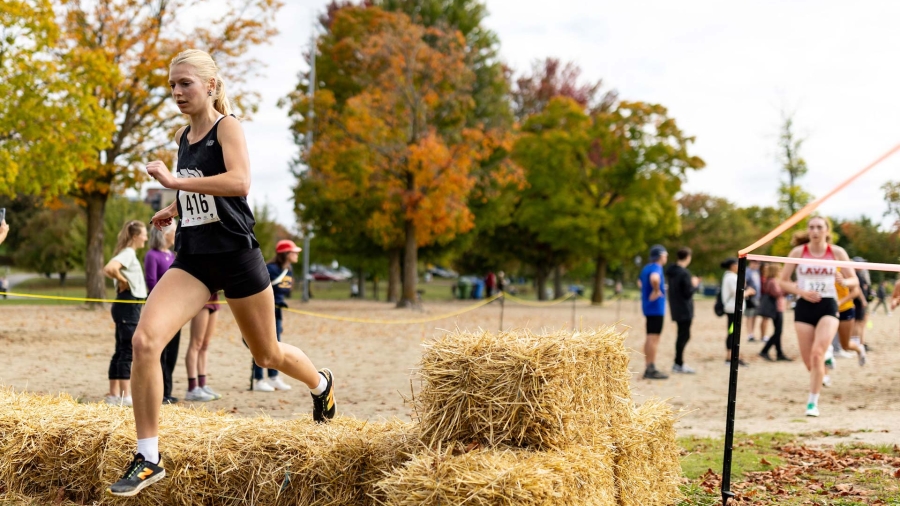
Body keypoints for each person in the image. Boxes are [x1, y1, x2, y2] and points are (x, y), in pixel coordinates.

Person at [106, 49, 334, 497]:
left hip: (236, 254)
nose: (176, 92)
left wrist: (175, 185)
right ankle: (149, 457)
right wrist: (176, 208)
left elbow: (239, 182)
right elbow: (204, 192)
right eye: (172, 85)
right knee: (144, 341)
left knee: (266, 354)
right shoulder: (182, 137)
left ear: (210, 85)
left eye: (185, 84)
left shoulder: (227, 127)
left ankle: (320, 383)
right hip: (194, 259)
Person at [779, 216, 857, 418]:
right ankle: (826, 362)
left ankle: (812, 403)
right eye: (811, 227)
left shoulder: (837, 252)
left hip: (828, 304)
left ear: (826, 230)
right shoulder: (798, 252)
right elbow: (783, 281)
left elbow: (854, 280)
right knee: (809, 362)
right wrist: (801, 292)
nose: (815, 231)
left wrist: (844, 281)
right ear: (808, 230)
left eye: (819, 227)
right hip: (804, 306)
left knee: (816, 355)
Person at [102, 221, 149, 407]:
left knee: (120, 349)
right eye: (144, 234)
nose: (146, 237)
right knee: (126, 350)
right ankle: (124, 395)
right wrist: (123, 281)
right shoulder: (128, 253)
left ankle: (114, 395)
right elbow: (109, 268)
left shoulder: (130, 254)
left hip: (128, 306)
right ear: (135, 236)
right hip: (127, 304)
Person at [251, 239, 302, 392]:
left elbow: (282, 290)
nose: (296, 254)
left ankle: (273, 377)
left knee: (276, 343)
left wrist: (279, 301)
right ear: (286, 254)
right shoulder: (271, 269)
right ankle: (259, 379)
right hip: (264, 311)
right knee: (262, 344)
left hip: (277, 311)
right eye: (294, 252)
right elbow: (260, 287)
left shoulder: (289, 270)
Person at [144, 225, 181, 405]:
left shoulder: (172, 255)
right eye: (173, 230)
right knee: (162, 352)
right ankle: (159, 392)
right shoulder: (152, 255)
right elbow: (152, 281)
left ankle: (168, 390)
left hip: (175, 309)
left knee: (172, 353)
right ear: (165, 234)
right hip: (162, 309)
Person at [665, 247, 700, 374]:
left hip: (675, 307)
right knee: (684, 335)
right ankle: (678, 363)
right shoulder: (684, 273)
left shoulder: (671, 271)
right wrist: (695, 285)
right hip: (684, 308)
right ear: (688, 257)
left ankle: (678, 362)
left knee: (682, 334)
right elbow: (687, 293)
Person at [184, 293, 223, 401]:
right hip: (202, 299)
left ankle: (202, 385)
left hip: (214, 299)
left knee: (205, 344)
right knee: (196, 343)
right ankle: (192, 388)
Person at [639, 244, 669, 380]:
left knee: (649, 336)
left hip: (648, 306)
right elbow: (655, 278)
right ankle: (651, 367)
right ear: (661, 256)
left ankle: (648, 365)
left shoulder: (646, 268)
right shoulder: (657, 267)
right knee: (654, 338)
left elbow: (639, 282)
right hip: (656, 308)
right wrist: (657, 290)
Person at [721, 258, 754, 367]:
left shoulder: (729, 277)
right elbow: (738, 294)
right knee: (733, 332)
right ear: (733, 266)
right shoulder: (731, 278)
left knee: (733, 331)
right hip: (733, 309)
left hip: (733, 308)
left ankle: (731, 356)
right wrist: (749, 292)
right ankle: (731, 357)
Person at [758, 263, 792, 362]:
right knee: (778, 331)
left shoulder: (771, 280)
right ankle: (764, 350)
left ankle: (779, 352)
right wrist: (788, 289)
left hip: (777, 308)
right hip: (776, 308)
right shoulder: (772, 281)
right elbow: (777, 293)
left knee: (778, 331)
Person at [744, 260, 762, 342]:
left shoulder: (758, 272)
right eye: (755, 263)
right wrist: (748, 289)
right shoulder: (747, 271)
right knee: (749, 316)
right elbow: (744, 283)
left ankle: (752, 333)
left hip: (758, 297)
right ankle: (749, 334)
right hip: (751, 297)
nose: (757, 264)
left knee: (755, 316)